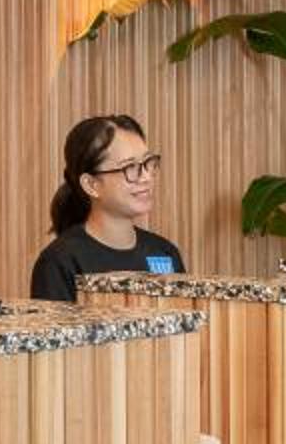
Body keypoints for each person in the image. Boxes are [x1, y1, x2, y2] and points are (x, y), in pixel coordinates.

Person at [29, 113, 187, 303]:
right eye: (130, 167)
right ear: (91, 185)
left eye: (148, 163)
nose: (146, 177)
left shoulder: (164, 253)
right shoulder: (60, 262)